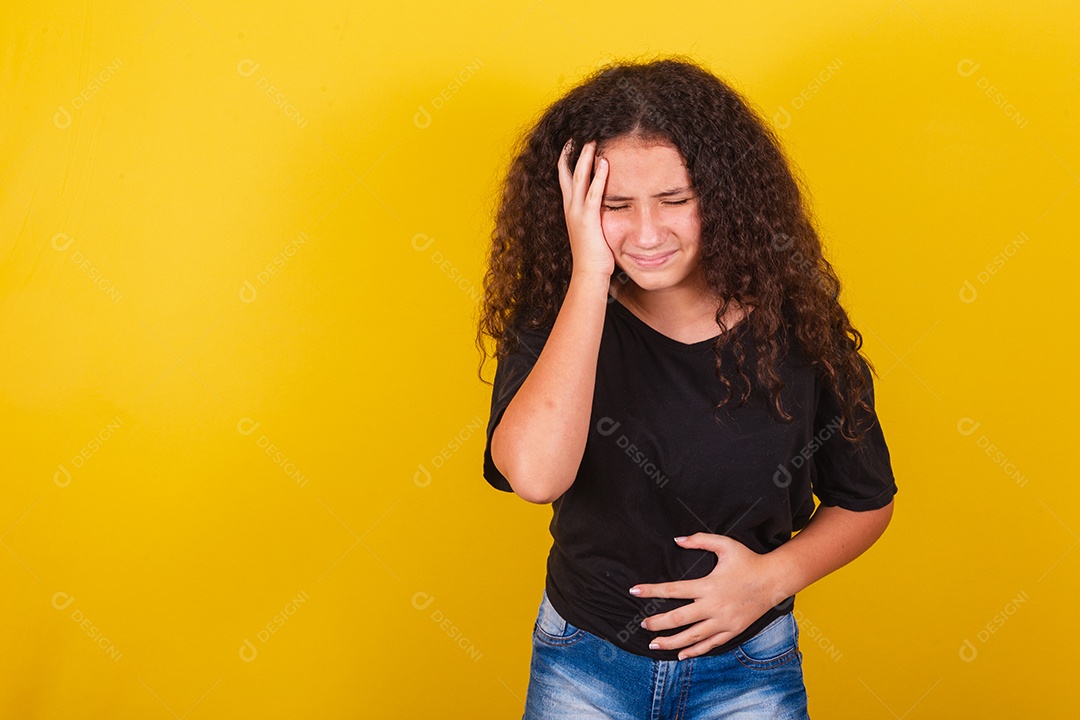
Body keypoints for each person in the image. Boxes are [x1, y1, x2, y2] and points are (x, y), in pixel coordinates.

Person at [475, 56, 897, 720]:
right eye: (616, 206)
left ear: (726, 198)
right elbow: (534, 475)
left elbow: (866, 499)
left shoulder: (798, 331)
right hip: (583, 664)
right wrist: (590, 276)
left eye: (676, 201)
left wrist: (769, 581)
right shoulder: (557, 323)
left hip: (749, 670)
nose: (646, 233)